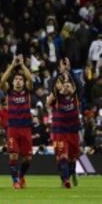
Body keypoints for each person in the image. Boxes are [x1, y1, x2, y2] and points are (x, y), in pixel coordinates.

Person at [0, 55, 33, 189]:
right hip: (13, 128)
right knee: (13, 155)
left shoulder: (27, 91)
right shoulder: (9, 92)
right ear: (13, 82)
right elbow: (2, 80)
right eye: (16, 79)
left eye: (20, 79)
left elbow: (30, 79)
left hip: (26, 128)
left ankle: (21, 176)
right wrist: (12, 66)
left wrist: (23, 65)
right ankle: (15, 181)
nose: (18, 81)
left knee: (27, 159)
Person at [47, 58, 81, 188]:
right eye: (64, 84)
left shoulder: (76, 96)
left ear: (73, 88)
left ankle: (71, 174)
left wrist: (69, 70)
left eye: (69, 85)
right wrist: (61, 72)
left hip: (73, 131)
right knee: (63, 156)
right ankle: (65, 180)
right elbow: (53, 86)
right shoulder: (57, 96)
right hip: (60, 131)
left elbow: (79, 84)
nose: (66, 86)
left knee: (72, 159)